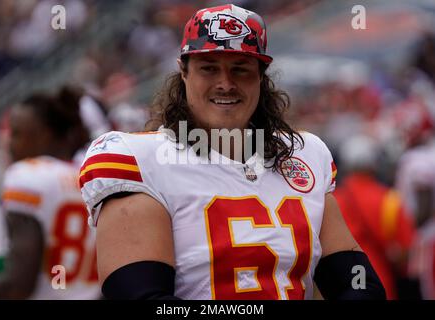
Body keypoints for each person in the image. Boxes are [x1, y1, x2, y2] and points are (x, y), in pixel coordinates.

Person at [80, 4, 385, 300]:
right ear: (183, 72)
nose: (225, 84)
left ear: (261, 78)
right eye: (209, 69)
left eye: (240, 70)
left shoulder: (304, 155)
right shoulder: (140, 159)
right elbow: (141, 295)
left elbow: (359, 283)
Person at [0, 87, 100, 299]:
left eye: (17, 134)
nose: (9, 143)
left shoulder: (27, 176)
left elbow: (18, 286)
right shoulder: (87, 177)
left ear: (44, 135)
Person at [334, 135, 417, 299]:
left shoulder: (332, 200)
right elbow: (406, 252)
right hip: (380, 285)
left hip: (342, 286)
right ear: (374, 164)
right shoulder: (390, 200)